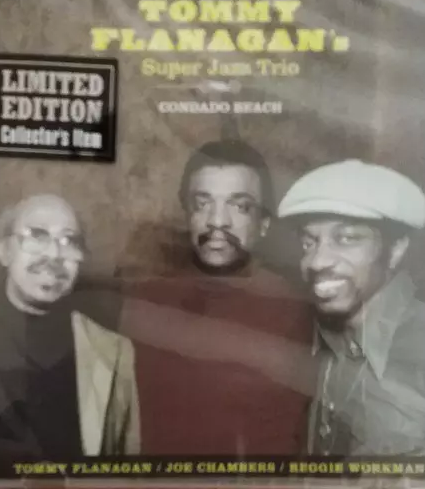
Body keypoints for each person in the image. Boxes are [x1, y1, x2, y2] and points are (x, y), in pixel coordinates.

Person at [121, 140, 314, 455]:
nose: (217, 220)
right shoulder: (147, 298)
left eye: (239, 206)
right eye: (202, 203)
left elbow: (287, 439)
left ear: (263, 224)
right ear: (187, 215)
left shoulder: (291, 310)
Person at [277, 159, 425, 456]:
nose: (317, 261)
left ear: (396, 250)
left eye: (347, 239)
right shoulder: (319, 342)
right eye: (309, 243)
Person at [0, 194, 139, 477]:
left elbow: (128, 473)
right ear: (4, 251)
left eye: (69, 241)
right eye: (37, 236)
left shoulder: (113, 352)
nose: (54, 254)